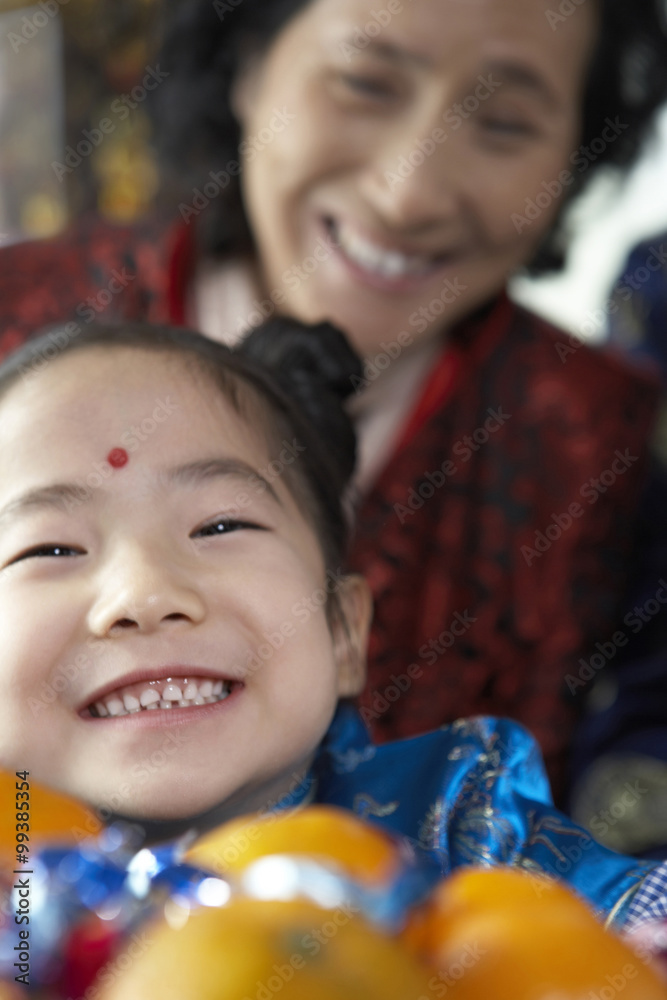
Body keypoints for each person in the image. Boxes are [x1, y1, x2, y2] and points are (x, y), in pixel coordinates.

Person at [3, 0, 667, 799]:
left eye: (505, 124)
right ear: (247, 65)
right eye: (363, 84)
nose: (407, 193)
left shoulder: (616, 451)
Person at [1, 317, 667, 936]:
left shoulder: (464, 835)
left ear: (343, 632)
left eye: (220, 526)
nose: (144, 593)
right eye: (49, 550)